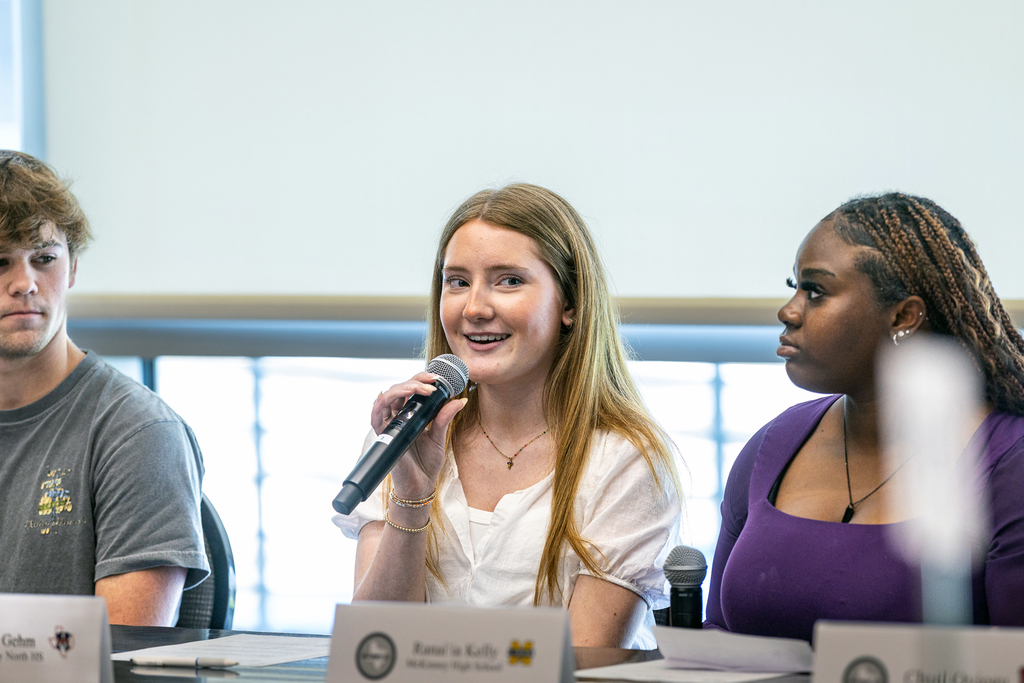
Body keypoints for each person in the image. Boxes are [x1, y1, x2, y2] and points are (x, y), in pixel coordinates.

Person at [333, 183, 682, 648]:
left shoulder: (625, 461)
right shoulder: (409, 434)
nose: (474, 307)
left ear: (571, 305)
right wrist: (411, 495)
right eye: (457, 281)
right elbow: (375, 650)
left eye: (509, 281)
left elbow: (580, 668)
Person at [705, 193, 1024, 642]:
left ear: (903, 316)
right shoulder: (774, 445)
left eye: (815, 291)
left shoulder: (1009, 463)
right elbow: (718, 636)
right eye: (793, 287)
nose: (788, 311)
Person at [0, 150, 209, 625]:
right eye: (0, 261)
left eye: (45, 258)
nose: (25, 283)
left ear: (72, 269)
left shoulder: (139, 432)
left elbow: (122, 657)